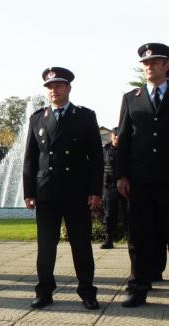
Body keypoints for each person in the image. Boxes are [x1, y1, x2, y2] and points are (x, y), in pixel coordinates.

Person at [23, 67, 103, 310]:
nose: (53, 90)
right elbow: (30, 157)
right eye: (49, 87)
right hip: (46, 191)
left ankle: (87, 291)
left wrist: (95, 191)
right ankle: (44, 291)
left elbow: (96, 158)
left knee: (81, 244)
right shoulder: (37, 117)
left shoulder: (85, 116)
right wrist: (29, 191)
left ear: (68, 88)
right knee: (46, 246)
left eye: (58, 85)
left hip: (76, 191)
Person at [117, 43, 169, 307]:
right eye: (146, 64)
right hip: (140, 180)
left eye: (155, 62)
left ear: (166, 65)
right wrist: (121, 175)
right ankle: (138, 287)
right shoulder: (131, 98)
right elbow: (123, 140)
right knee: (139, 236)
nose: (149, 67)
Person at [100, 127, 127, 249]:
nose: (117, 138)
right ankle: (108, 240)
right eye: (115, 136)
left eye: (119, 136)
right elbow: (98, 168)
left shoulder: (127, 150)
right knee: (109, 214)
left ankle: (132, 239)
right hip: (109, 186)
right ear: (111, 136)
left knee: (130, 214)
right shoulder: (105, 150)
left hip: (125, 185)